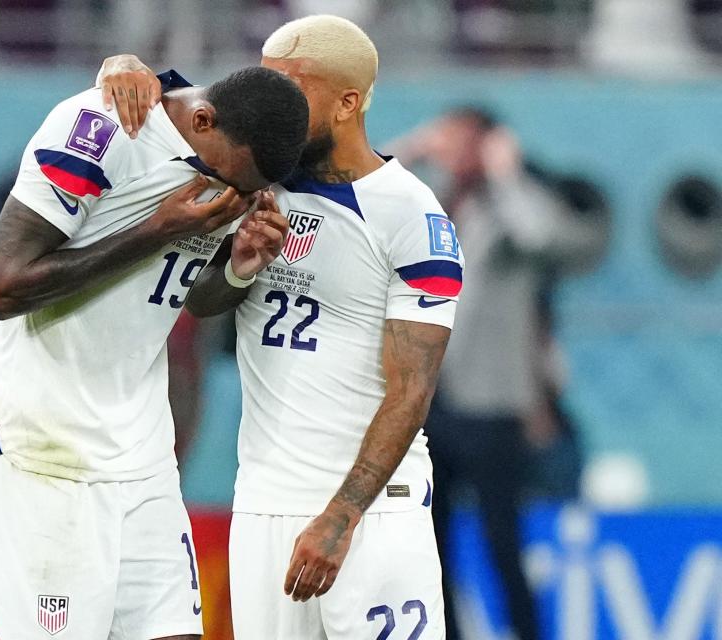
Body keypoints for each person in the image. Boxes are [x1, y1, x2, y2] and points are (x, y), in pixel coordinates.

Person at [99, 15, 462, 640]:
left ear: (349, 102)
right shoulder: (255, 180)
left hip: (370, 514)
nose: (272, 104)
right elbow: (204, 301)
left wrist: (341, 518)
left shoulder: (411, 216)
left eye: (291, 89)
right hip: (263, 504)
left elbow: (412, 389)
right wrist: (122, 70)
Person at [0, 67, 308, 640]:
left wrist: (240, 266)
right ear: (202, 120)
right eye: (230, 180)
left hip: (142, 455)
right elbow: (4, 288)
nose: (235, 197)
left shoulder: (230, 166)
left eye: (247, 192)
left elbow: (185, 290)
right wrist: (155, 230)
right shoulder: (100, 129)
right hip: (44, 452)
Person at [387, 107, 584, 640]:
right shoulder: (434, 202)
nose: (452, 148)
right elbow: (364, 199)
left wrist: (506, 172)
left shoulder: (514, 206)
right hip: (433, 403)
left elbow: (543, 236)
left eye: (462, 138)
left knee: (504, 544)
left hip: (492, 406)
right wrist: (414, 147)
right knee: (431, 547)